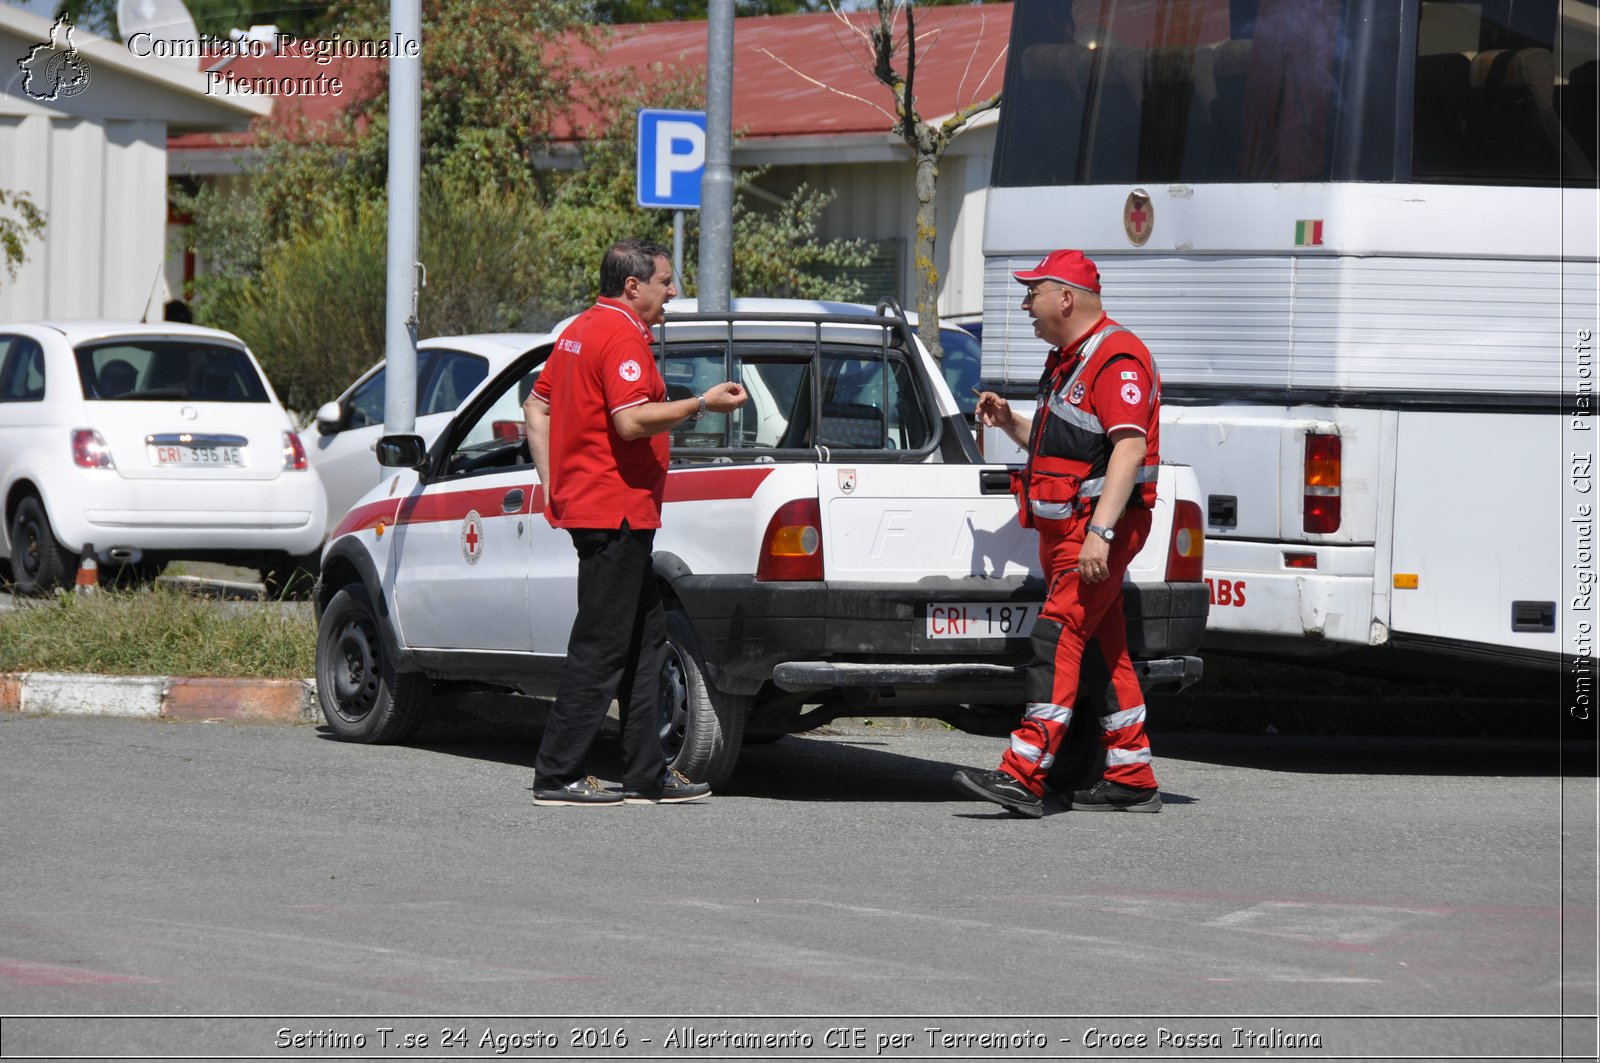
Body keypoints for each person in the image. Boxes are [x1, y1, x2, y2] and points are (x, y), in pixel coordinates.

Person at [523, 238, 748, 807]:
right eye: (666, 281)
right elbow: (630, 422)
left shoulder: (579, 329)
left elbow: (536, 405)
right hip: (615, 512)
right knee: (602, 646)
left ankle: (646, 772)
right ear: (633, 286)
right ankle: (557, 773)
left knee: (646, 642)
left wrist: (553, 484)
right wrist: (700, 404)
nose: (673, 291)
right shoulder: (620, 334)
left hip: (607, 509)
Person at [952, 249, 1164, 818]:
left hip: (1093, 534)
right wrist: (1010, 423)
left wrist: (1101, 532)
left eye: (1033, 293)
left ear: (1065, 298)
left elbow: (1129, 446)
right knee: (1105, 646)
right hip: (1072, 531)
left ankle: (1022, 774)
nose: (1026, 305)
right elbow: (1064, 448)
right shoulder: (1069, 359)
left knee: (1057, 636)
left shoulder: (1116, 357)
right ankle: (1132, 773)